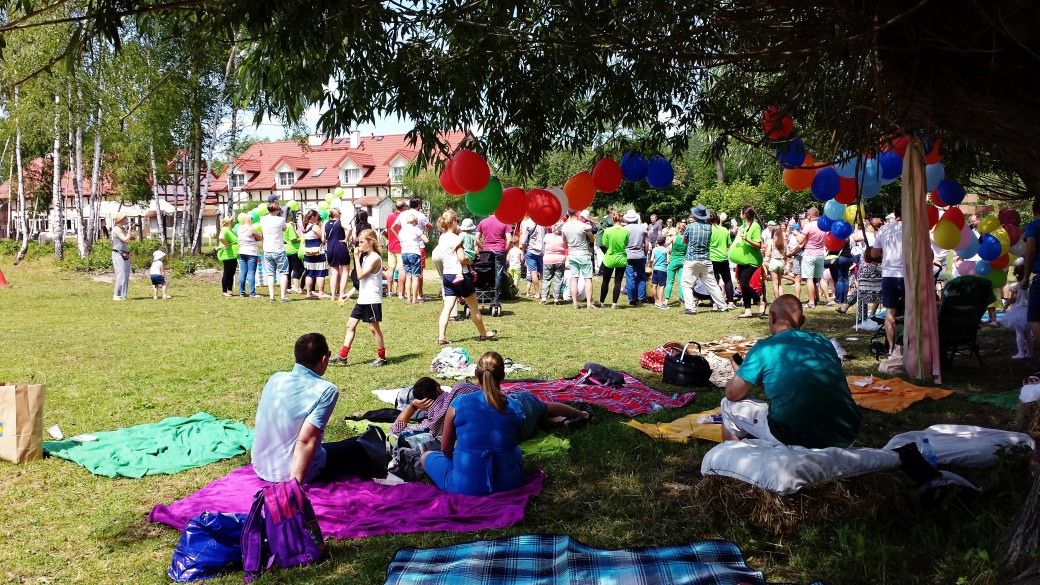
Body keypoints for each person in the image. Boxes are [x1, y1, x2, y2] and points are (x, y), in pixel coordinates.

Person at [721, 295, 861, 448]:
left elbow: (732, 394)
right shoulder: (822, 341)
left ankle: (734, 455)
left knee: (727, 405)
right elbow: (808, 384)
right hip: (846, 433)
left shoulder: (765, 347)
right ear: (802, 321)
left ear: (772, 316)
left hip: (792, 435)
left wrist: (739, 374)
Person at [252, 333, 368, 484]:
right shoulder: (326, 390)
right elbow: (305, 441)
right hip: (290, 473)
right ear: (325, 359)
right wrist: (294, 487)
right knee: (356, 447)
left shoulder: (276, 378)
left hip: (260, 465)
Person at [421, 351, 526, 496]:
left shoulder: (459, 403)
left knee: (425, 456)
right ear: (502, 375)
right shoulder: (516, 406)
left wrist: (467, 461)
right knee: (515, 452)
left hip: (466, 486)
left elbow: (445, 449)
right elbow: (516, 441)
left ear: (476, 373)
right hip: (511, 483)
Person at [435, 209, 497, 345]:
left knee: (447, 307)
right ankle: (484, 334)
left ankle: (441, 337)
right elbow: (462, 258)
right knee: (474, 307)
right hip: (461, 276)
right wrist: (471, 261)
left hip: (447, 275)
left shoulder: (442, 237)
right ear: (453, 222)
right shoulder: (456, 239)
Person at [328, 229, 387, 367]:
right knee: (350, 325)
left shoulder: (375, 258)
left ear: (370, 242)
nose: (359, 245)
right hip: (363, 299)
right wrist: (349, 293)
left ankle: (382, 357)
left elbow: (360, 275)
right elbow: (362, 281)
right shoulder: (366, 257)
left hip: (372, 299)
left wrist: (355, 258)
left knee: (374, 328)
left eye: (361, 242)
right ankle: (343, 356)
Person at [682, 205, 728, 315]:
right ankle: (723, 306)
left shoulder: (690, 226)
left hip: (692, 259)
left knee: (686, 284)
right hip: (706, 260)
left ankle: (691, 308)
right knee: (712, 284)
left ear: (695, 216)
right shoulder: (709, 227)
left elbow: (684, 241)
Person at [871, 207, 904, 353]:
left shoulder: (884, 229)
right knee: (910, 311)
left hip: (889, 274)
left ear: (895, 214)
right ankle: (906, 346)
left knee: (890, 313)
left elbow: (874, 253)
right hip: (907, 274)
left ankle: (891, 349)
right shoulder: (913, 228)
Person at [730, 206, 765, 318]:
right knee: (742, 284)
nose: (740, 214)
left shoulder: (755, 226)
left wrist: (747, 239)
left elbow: (758, 245)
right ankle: (748, 310)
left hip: (752, 260)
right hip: (742, 259)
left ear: (744, 214)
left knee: (744, 283)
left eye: (741, 212)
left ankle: (760, 301)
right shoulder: (743, 226)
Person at [561, 209, 595, 310]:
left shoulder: (564, 226)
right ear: (578, 213)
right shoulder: (583, 226)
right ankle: (589, 303)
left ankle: (575, 303)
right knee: (587, 278)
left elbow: (564, 244)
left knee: (574, 278)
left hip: (572, 254)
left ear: (568, 213)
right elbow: (592, 239)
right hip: (583, 254)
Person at [259, 200, 290, 302]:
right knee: (283, 273)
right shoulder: (280, 220)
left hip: (267, 249)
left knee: (270, 274)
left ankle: (272, 297)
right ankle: (283, 296)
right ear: (276, 210)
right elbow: (284, 228)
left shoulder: (263, 219)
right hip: (279, 249)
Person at [597, 213, 629, 309]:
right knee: (618, 281)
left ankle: (601, 302)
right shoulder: (625, 231)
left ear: (613, 220)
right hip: (621, 258)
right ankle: (614, 303)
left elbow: (605, 243)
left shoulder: (607, 230)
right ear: (621, 220)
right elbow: (626, 243)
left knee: (605, 281)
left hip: (610, 257)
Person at [1001, 264, 1033, 359]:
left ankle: (1021, 353)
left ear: (1015, 274)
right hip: (1028, 310)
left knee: (1019, 333)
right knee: (1028, 333)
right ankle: (1030, 353)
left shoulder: (1015, 285)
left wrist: (1005, 306)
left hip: (1018, 310)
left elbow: (1013, 298)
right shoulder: (1030, 284)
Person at [797, 207, 827, 308]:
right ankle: (828, 300)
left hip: (809, 254)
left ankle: (811, 302)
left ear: (809, 216)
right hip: (820, 254)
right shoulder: (823, 226)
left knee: (809, 279)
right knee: (820, 278)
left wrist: (797, 234)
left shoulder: (808, 226)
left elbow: (800, 240)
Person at [476, 213, 512, 289]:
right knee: (499, 271)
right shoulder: (504, 222)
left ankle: (488, 289)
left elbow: (476, 239)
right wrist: (505, 251)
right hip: (500, 250)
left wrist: (483, 248)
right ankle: (496, 291)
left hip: (487, 251)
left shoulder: (482, 222)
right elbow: (509, 240)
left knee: (487, 270)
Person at [398, 214, 428, 304]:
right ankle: (414, 298)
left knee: (408, 276)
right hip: (414, 253)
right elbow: (426, 240)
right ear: (414, 222)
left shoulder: (402, 231)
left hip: (404, 253)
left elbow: (400, 241)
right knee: (415, 277)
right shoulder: (416, 229)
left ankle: (408, 298)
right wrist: (420, 239)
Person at [1023, 201, 1040, 354]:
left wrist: (1025, 277)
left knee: (1034, 318)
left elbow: (1030, 251)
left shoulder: (1033, 226)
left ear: (1034, 211)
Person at [622, 209, 648, 306]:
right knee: (641, 276)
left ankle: (632, 298)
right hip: (640, 254)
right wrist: (645, 254)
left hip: (628, 255)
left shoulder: (624, 229)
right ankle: (641, 297)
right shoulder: (642, 228)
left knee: (630, 277)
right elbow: (646, 244)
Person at [709, 213, 735, 308]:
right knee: (727, 280)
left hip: (712, 258)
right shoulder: (724, 230)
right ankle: (731, 302)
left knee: (713, 281)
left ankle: (714, 303)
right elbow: (728, 244)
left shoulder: (708, 230)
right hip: (723, 258)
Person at [324, 208, 350, 302]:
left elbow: (324, 238)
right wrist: (346, 239)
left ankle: (333, 296)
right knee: (345, 271)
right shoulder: (340, 222)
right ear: (337, 214)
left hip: (330, 247)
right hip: (340, 246)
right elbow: (349, 228)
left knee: (334, 272)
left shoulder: (326, 224)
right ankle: (341, 294)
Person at [302, 210, 328, 298]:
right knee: (320, 273)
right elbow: (323, 239)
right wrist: (322, 229)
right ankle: (321, 292)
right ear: (313, 217)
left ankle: (308, 292)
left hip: (307, 252)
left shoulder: (304, 226)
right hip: (317, 252)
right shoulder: (314, 227)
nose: (317, 218)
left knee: (309, 273)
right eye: (316, 216)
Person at [520, 215, 547, 299]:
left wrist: (523, 252)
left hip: (531, 250)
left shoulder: (527, 223)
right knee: (542, 272)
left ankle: (537, 293)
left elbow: (524, 241)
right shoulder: (543, 222)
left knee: (533, 272)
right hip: (542, 250)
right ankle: (545, 292)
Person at [385, 200, 408, 298]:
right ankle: (401, 292)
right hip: (400, 246)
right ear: (403, 207)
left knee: (391, 268)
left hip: (391, 246)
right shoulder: (404, 217)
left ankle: (389, 291)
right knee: (401, 269)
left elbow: (387, 229)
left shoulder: (390, 216)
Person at [540, 223, 567, 304]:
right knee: (558, 279)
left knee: (546, 279)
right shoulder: (563, 238)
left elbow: (544, 244)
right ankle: (556, 298)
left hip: (548, 259)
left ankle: (544, 297)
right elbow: (566, 247)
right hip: (560, 260)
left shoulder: (547, 236)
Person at [236, 214, 261, 298]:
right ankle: (252, 293)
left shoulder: (239, 229)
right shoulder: (251, 229)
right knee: (251, 273)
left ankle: (242, 292)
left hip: (242, 251)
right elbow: (260, 238)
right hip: (251, 252)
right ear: (249, 220)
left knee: (243, 273)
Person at [110, 212, 133, 301]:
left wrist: (129, 234)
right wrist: (129, 232)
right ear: (121, 219)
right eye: (125, 218)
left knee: (126, 274)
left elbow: (126, 240)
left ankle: (123, 295)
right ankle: (116, 295)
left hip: (124, 253)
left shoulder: (122, 228)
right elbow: (125, 239)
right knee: (121, 273)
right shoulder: (117, 229)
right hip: (118, 254)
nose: (126, 219)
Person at [664, 221, 687, 305]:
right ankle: (681, 299)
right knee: (681, 281)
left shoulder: (674, 238)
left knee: (670, 281)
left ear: (678, 229)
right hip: (683, 261)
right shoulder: (687, 239)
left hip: (673, 261)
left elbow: (665, 244)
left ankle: (666, 300)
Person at [217, 217, 238, 297]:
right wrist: (226, 244)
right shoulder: (225, 229)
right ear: (228, 222)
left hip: (233, 255)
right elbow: (221, 237)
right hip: (227, 255)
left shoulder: (230, 230)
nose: (233, 222)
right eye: (231, 221)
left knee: (232, 273)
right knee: (227, 273)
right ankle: (224, 291)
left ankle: (230, 290)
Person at [283, 212, 304, 294]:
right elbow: (293, 239)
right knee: (298, 268)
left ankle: (288, 287)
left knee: (288, 269)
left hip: (285, 249)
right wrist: (302, 238)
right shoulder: (289, 226)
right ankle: (297, 287)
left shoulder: (283, 225)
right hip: (293, 249)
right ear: (288, 216)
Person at [766, 224, 786, 300]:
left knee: (775, 283)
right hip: (781, 262)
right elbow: (787, 253)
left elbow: (768, 254)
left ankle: (777, 300)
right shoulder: (784, 241)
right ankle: (782, 299)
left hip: (774, 261)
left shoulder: (771, 241)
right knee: (779, 283)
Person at [650, 236, 669, 309]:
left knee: (654, 285)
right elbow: (668, 261)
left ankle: (656, 301)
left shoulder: (654, 249)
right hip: (662, 269)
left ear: (657, 242)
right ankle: (661, 302)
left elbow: (651, 259)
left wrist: (651, 266)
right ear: (664, 243)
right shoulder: (666, 250)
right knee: (662, 286)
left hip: (655, 269)